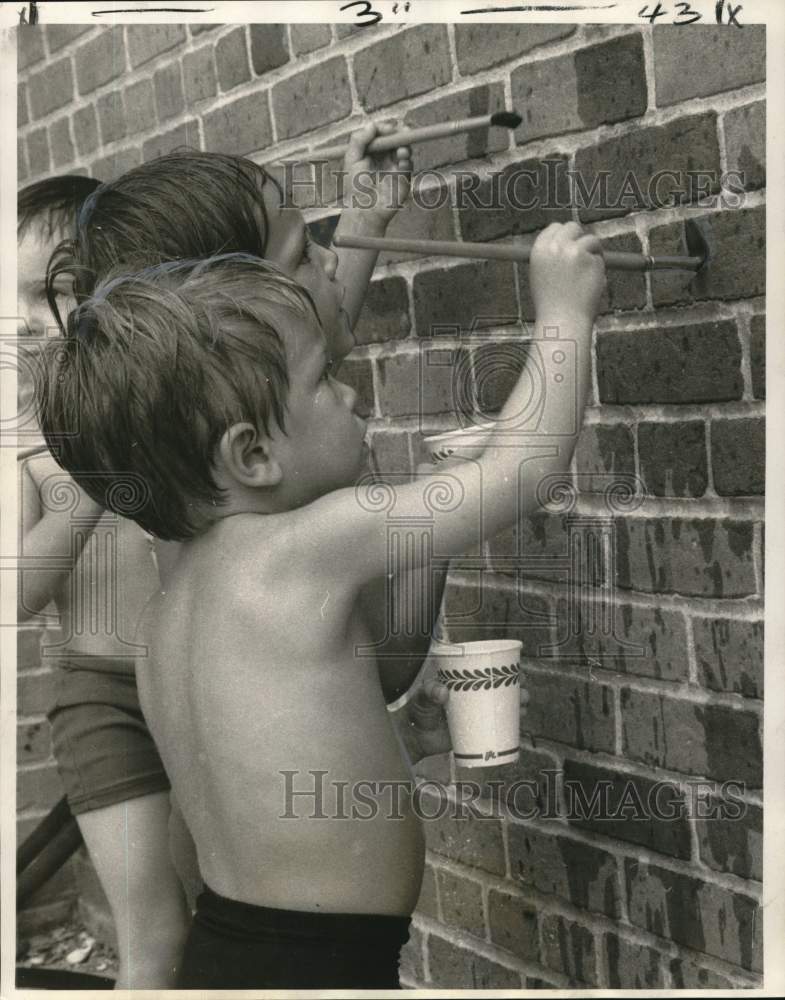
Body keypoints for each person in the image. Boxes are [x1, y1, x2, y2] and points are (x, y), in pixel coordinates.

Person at [36, 219, 605, 988]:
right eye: (322, 380)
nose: (350, 390)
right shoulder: (305, 546)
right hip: (315, 968)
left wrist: (402, 744)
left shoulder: (172, 611)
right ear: (252, 454)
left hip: (233, 949)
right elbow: (521, 471)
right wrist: (563, 310)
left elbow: (256, 784)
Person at [18, 176, 192, 988]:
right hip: (102, 695)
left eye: (40, 293)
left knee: (233, 901)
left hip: (203, 677)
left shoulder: (165, 383)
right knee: (154, 934)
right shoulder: (20, 431)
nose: (18, 319)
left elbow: (301, 348)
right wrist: (89, 480)